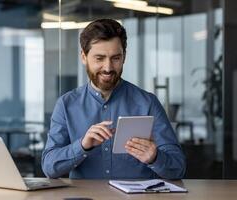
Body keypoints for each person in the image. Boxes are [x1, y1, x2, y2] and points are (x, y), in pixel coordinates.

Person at [42, 19, 186, 179]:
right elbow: (49, 167)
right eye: (99, 58)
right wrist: (82, 146)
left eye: (115, 58)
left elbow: (178, 168)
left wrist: (155, 157)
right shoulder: (66, 105)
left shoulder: (148, 103)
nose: (108, 67)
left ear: (124, 57)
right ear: (84, 57)